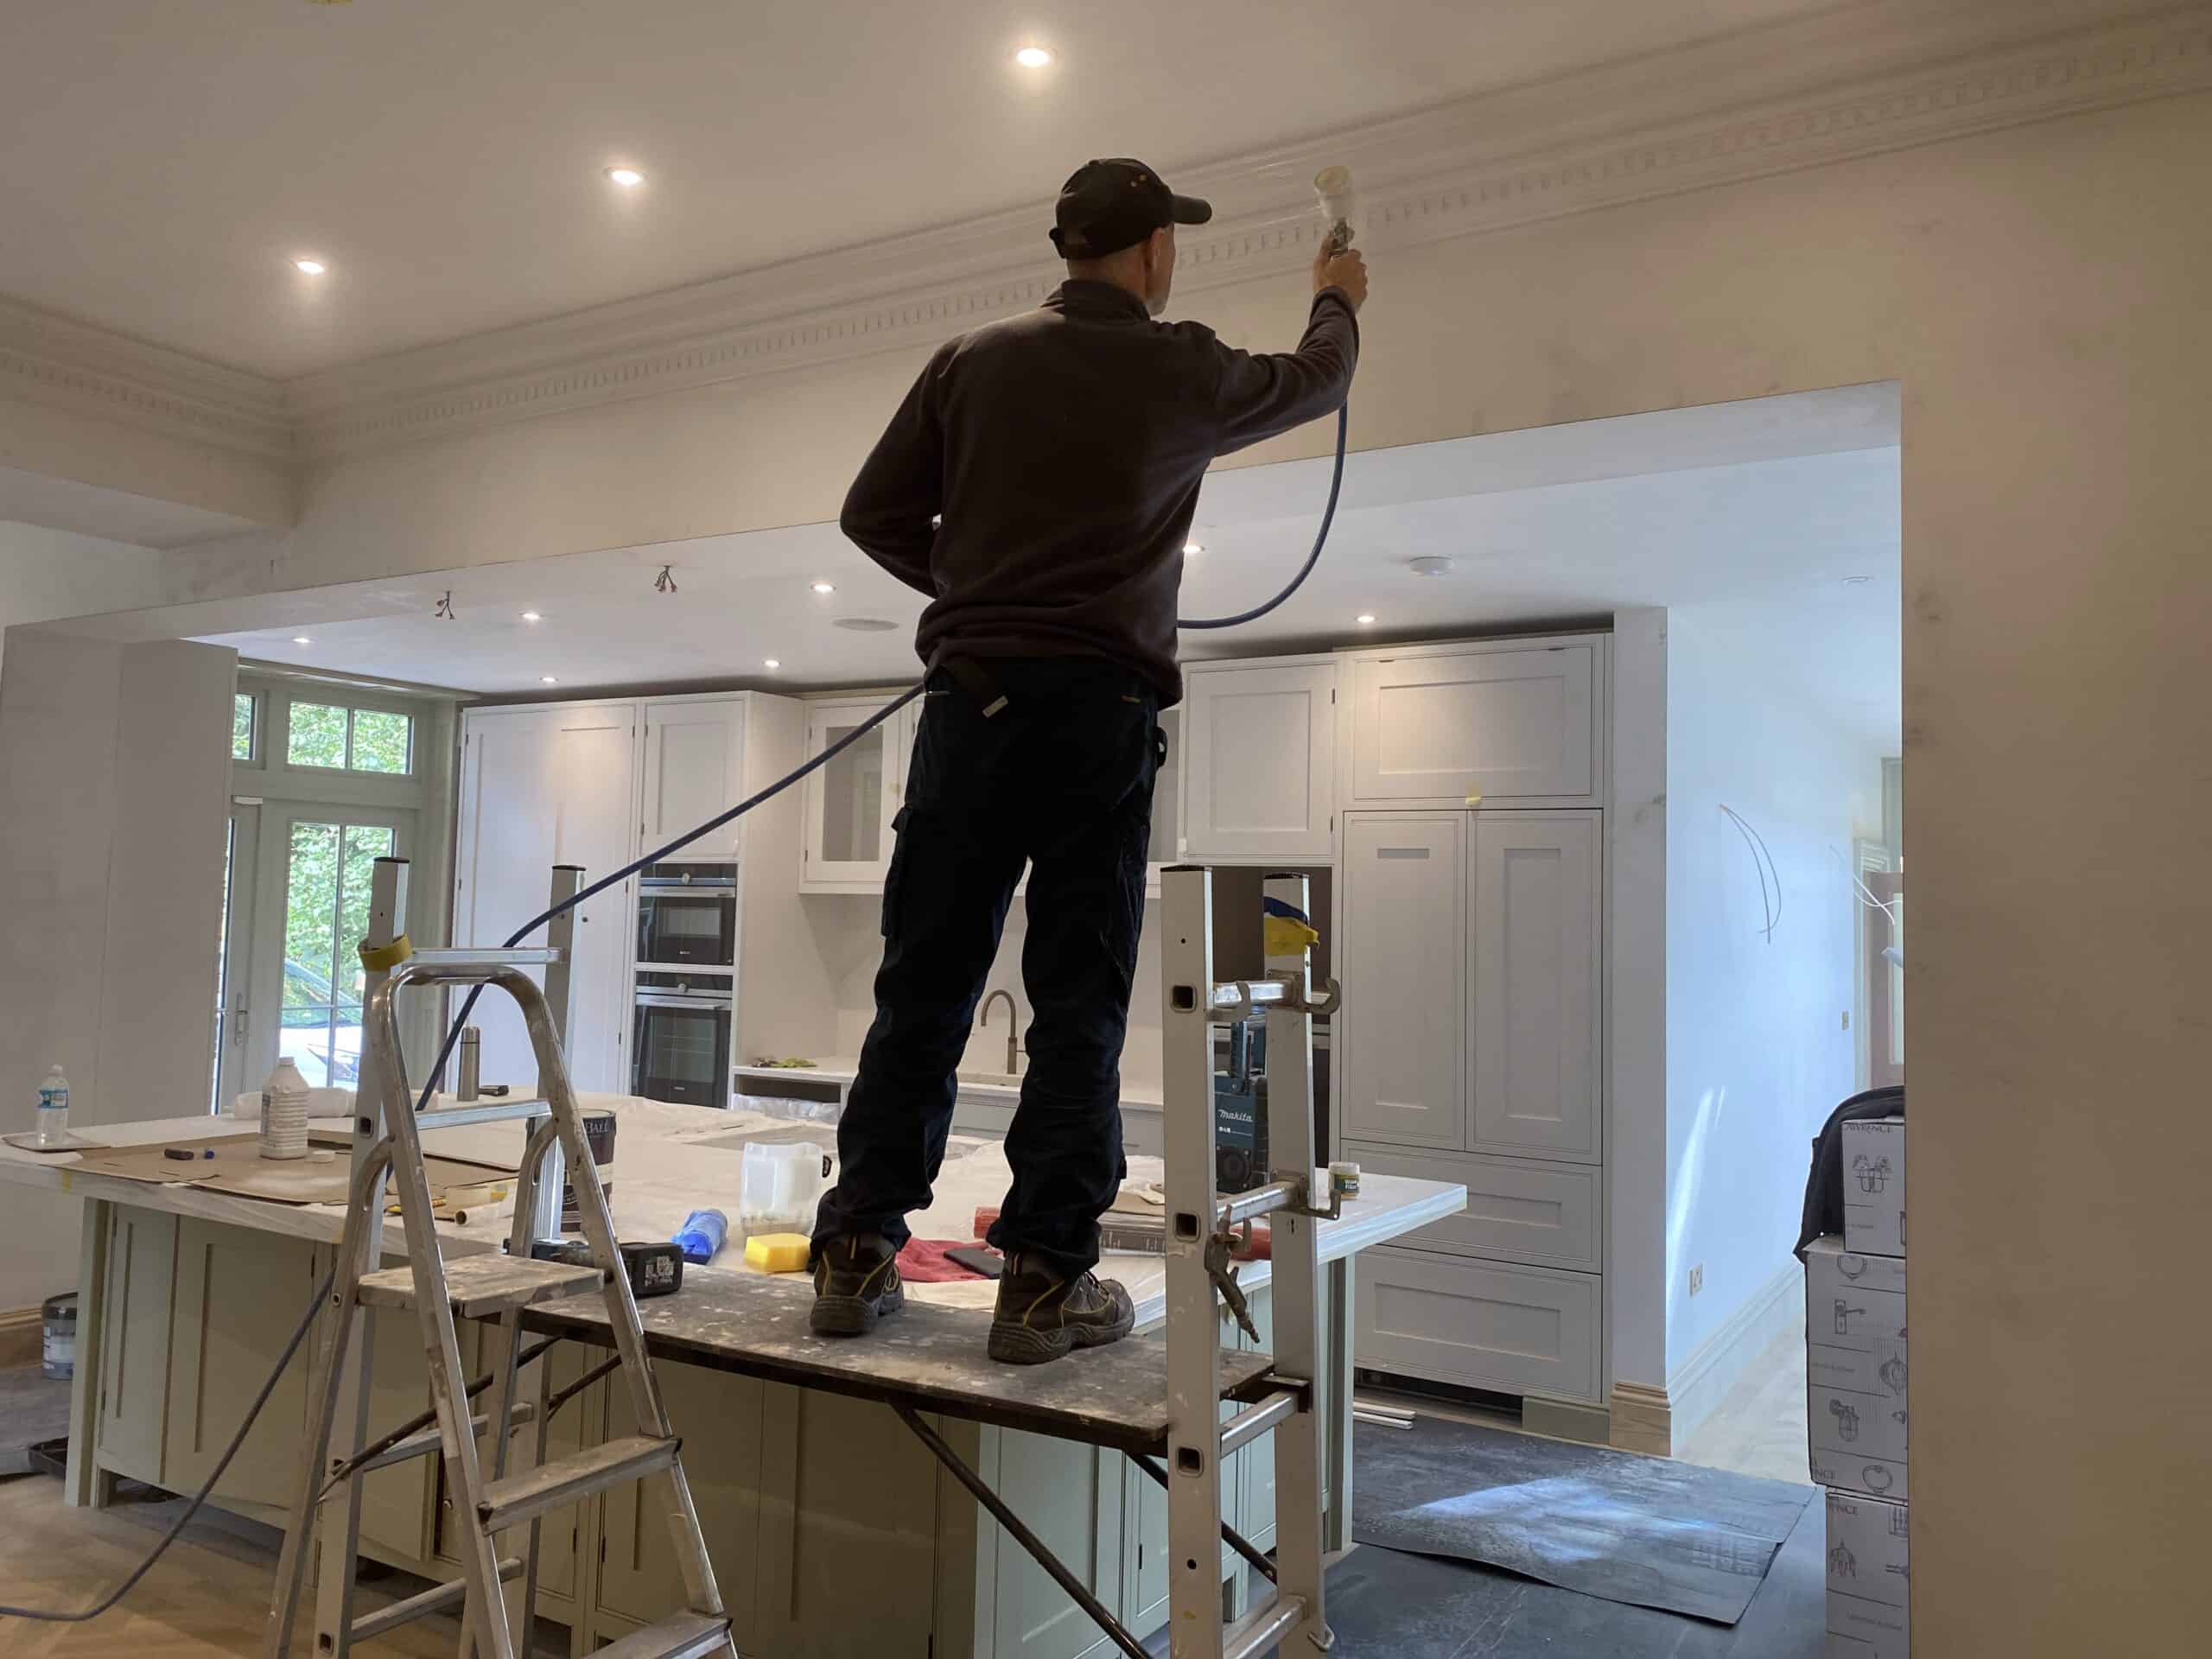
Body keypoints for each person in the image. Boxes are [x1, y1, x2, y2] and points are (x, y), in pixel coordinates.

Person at [810, 157, 1368, 1364]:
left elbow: (874, 517)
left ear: (1069, 247)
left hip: (971, 708)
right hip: (1099, 715)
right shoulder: (1181, 363)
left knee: (925, 984)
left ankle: (854, 1251)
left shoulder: (971, 359)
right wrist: (1338, 294)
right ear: (1156, 250)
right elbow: (1319, 381)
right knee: (1077, 1001)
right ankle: (1047, 1280)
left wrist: (983, 596)